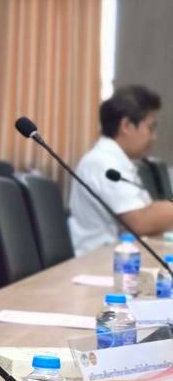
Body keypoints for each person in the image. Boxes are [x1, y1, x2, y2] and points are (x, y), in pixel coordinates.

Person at [69, 84, 173, 254]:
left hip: (116, 256)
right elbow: (140, 221)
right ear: (126, 126)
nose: (153, 137)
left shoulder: (119, 160)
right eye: (150, 127)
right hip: (97, 261)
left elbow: (147, 212)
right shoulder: (102, 162)